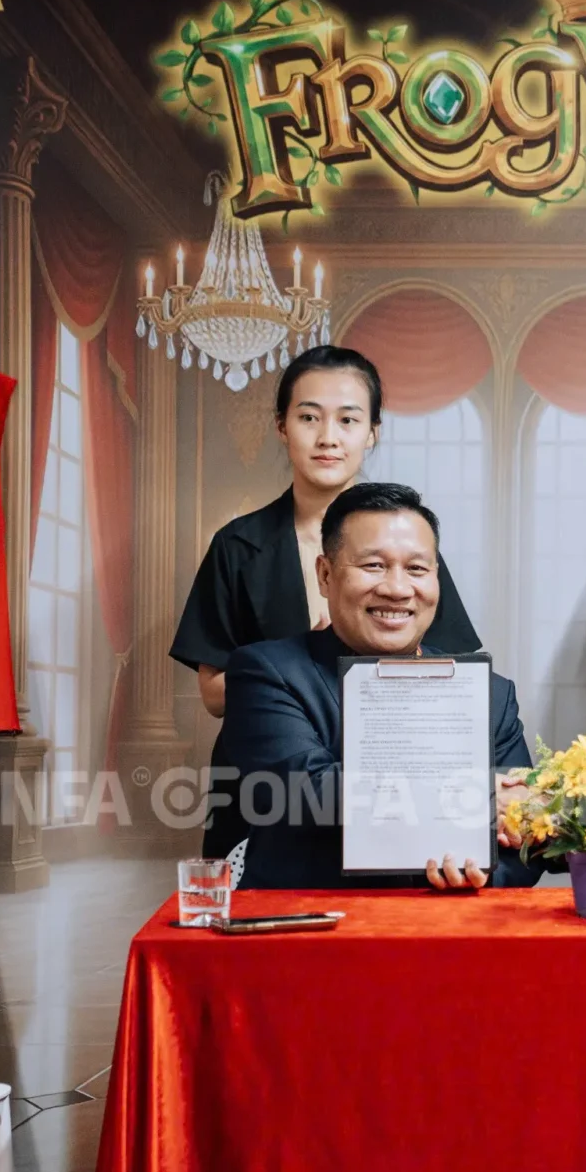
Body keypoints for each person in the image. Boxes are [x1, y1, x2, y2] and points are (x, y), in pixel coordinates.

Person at [171, 346, 481, 859]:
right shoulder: (238, 545)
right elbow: (213, 694)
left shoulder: (407, 544)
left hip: (385, 777)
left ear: (372, 432)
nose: (328, 437)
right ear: (281, 426)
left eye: (348, 420)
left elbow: (450, 675)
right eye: (309, 417)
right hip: (267, 778)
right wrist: (302, 658)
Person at [219, 482, 528, 890]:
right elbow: (304, 791)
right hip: (309, 919)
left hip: (453, 921)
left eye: (416, 569)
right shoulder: (267, 672)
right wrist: (472, 796)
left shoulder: (491, 693)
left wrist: (481, 874)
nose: (397, 589)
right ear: (325, 575)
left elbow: (527, 836)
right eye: (373, 566)